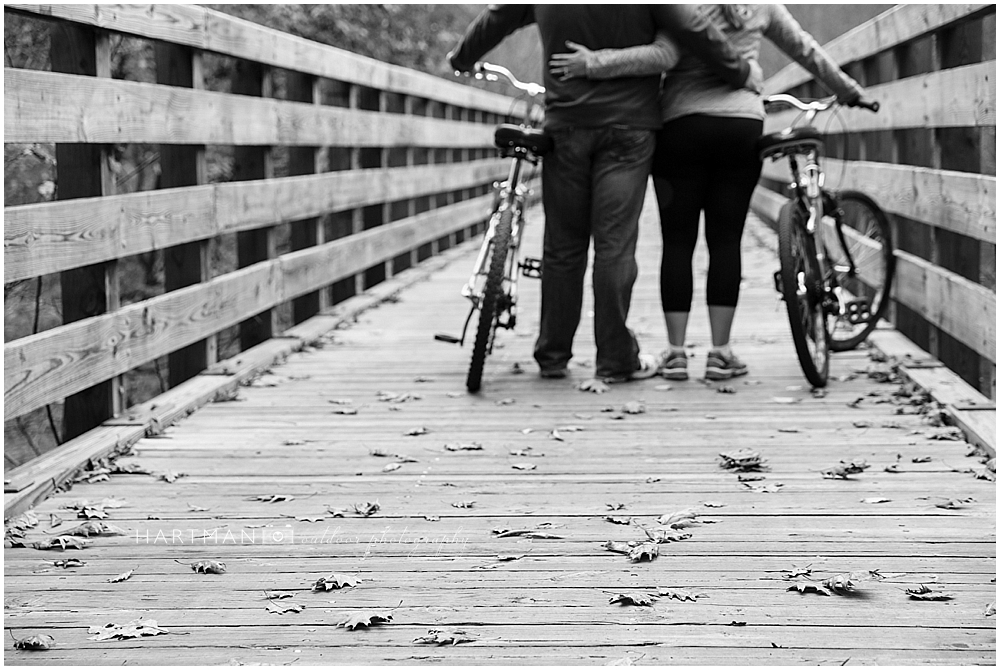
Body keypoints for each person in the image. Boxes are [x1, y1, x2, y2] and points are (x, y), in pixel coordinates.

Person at [549, 4, 869, 381]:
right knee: (726, 240)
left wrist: (596, 64)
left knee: (678, 242)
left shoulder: (684, 7)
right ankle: (720, 353)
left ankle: (677, 354)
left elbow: (661, 55)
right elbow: (805, 49)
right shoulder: (761, 7)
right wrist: (848, 90)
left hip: (679, 128)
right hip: (740, 127)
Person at [448, 6, 761, 384]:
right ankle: (614, 358)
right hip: (630, 128)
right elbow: (695, 26)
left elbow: (498, 17)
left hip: (568, 124)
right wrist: (739, 71)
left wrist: (463, 58)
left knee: (563, 246)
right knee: (615, 246)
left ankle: (552, 354)